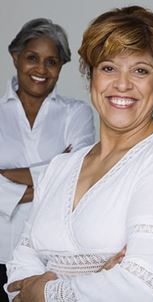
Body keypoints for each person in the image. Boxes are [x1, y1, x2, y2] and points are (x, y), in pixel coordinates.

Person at [5, 5, 153, 302]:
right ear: (91, 76)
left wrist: (41, 291)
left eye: (140, 70)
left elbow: (140, 289)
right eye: (108, 68)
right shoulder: (61, 166)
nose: (122, 83)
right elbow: (19, 268)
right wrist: (99, 279)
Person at [0, 18, 95, 301]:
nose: (41, 69)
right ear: (16, 57)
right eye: (32, 58)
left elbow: (81, 176)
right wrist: (56, 169)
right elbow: (64, 177)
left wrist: (8, 177)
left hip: (51, 258)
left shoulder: (76, 113)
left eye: (51, 62)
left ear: (61, 66)